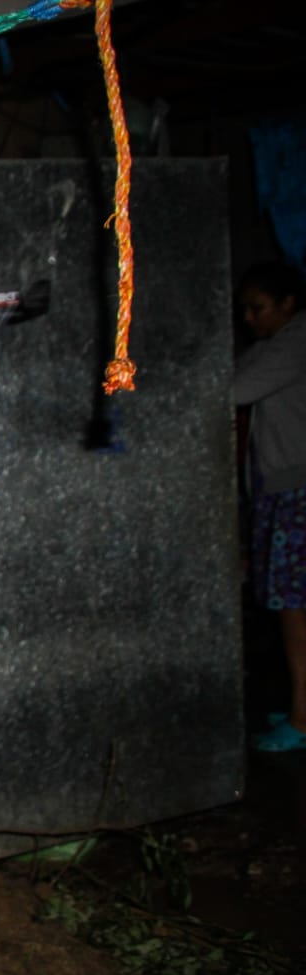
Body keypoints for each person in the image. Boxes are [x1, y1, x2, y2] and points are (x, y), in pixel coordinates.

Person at [234, 259, 306, 753]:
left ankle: (303, 717)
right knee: (291, 606)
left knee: (294, 608)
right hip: (283, 487)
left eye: (257, 308)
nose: (248, 318)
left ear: (288, 304)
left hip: (297, 489)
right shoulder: (274, 345)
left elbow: (232, 388)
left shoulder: (295, 342)